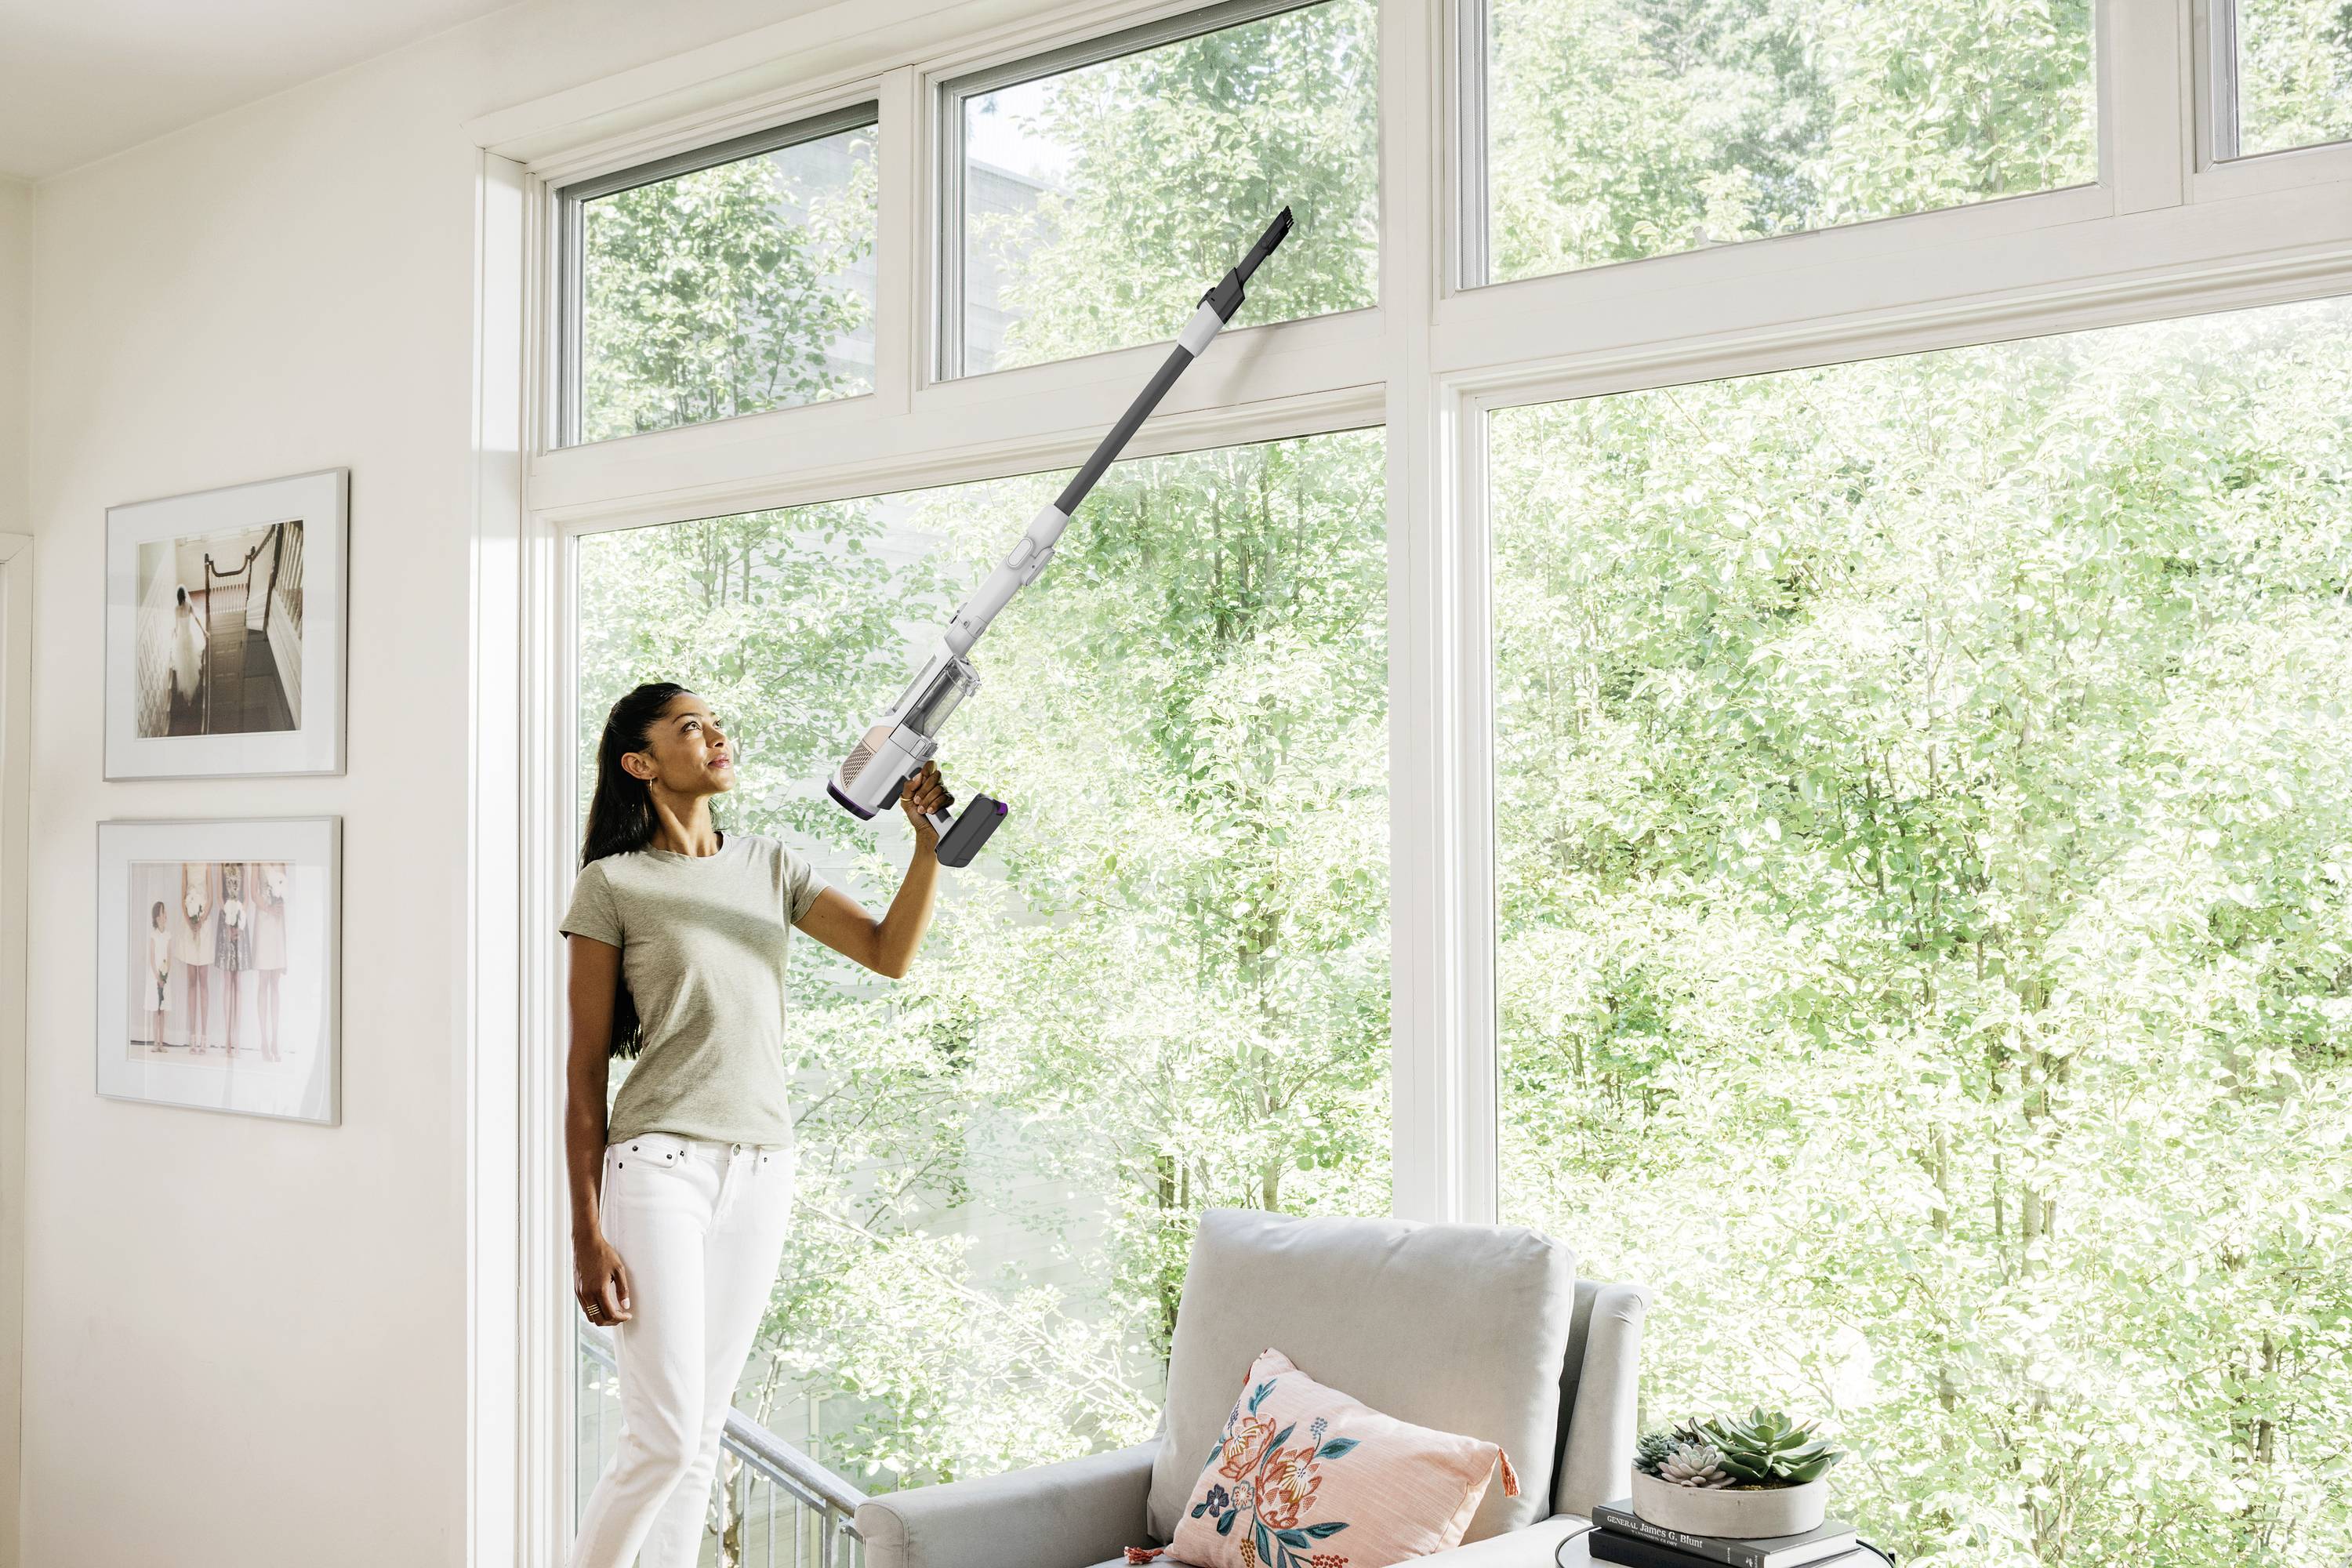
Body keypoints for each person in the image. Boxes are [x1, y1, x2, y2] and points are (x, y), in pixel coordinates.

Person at [562, 682, 951, 1568]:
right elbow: (585, 1071)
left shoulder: (771, 865)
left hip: (764, 1168)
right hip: (658, 1165)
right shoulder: (612, 883)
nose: (715, 735)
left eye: (715, 722)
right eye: (688, 727)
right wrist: (586, 1231)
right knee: (660, 1434)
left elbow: (889, 954)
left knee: (700, 1434)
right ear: (641, 763)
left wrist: (925, 844)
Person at [215, 862, 254, 1053]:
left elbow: (246, 898)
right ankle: (227, 1036)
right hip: (225, 924)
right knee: (227, 981)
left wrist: (239, 919)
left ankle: (237, 1038)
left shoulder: (243, 868)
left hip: (241, 924)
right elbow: (219, 898)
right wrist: (228, 918)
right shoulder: (221, 866)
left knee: (238, 981)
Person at [174, 864, 214, 1052]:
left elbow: (211, 898)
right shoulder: (185, 863)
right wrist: (190, 921)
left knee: (203, 980)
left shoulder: (207, 863)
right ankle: (192, 1034)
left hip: (204, 925)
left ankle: (204, 1034)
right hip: (189, 923)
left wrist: (201, 919)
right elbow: (183, 896)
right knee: (191, 980)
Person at [252, 862, 289, 1062]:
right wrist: (268, 907)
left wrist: (280, 904)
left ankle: (276, 1039)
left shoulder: (281, 861)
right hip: (264, 920)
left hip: (277, 922)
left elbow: (286, 888)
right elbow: (253, 893)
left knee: (276, 982)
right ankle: (264, 1040)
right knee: (263, 980)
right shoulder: (257, 860)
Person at [145, 902, 171, 1049]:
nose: (165, 914)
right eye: (163, 912)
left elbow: (169, 957)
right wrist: (157, 976)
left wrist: (165, 976)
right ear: (157, 917)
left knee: (163, 1010)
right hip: (155, 977)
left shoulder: (168, 935)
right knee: (156, 1010)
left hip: (165, 978)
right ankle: (155, 1042)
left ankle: (162, 1042)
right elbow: (152, 959)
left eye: (165, 911)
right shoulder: (153, 936)